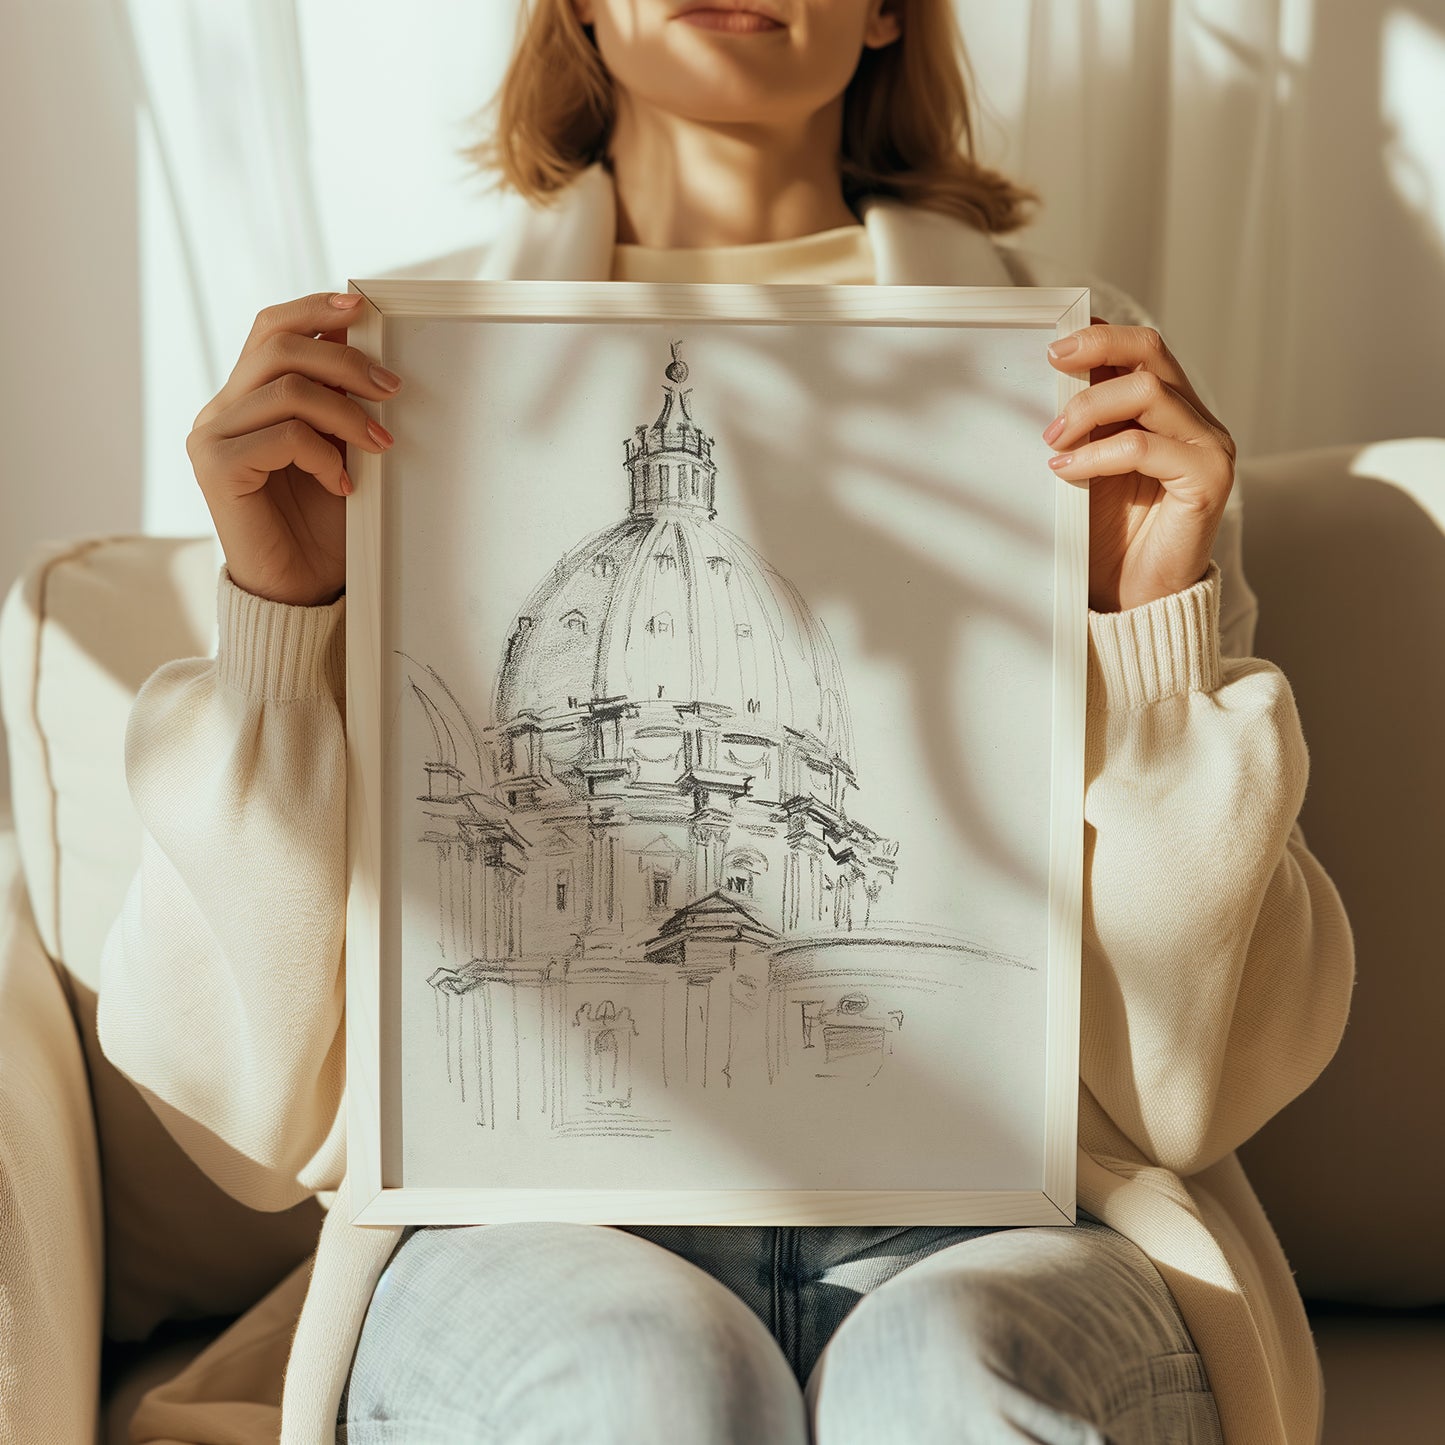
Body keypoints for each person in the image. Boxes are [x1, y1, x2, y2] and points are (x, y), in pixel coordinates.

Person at [96, 2, 1355, 1442]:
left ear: (887, 8)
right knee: (637, 1383)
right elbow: (244, 1114)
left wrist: (1153, 633)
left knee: (941, 1373)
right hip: (526, 1223)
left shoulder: (1085, 378)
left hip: (1009, 1220)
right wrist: (280, 623)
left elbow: (1203, 1091)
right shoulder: (382, 383)